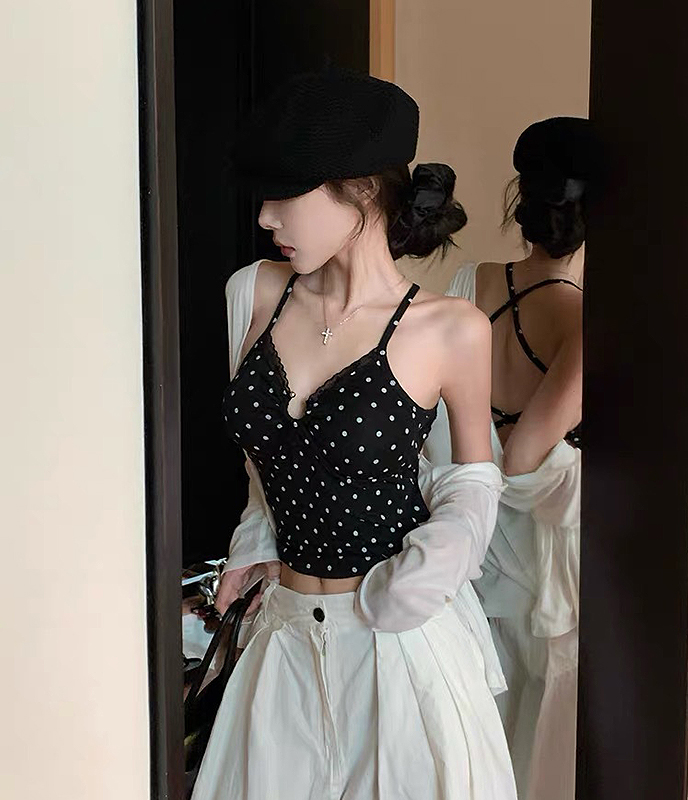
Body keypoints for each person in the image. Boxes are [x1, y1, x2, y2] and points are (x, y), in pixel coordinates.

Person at [189, 67, 518, 800]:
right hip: (282, 637)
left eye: (286, 195)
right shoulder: (253, 292)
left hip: (398, 645)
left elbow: (472, 475)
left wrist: (431, 572)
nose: (266, 217)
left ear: (363, 190)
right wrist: (255, 542)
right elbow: (266, 462)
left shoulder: (449, 328)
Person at [423, 116, 597, 800]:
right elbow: (523, 459)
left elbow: (439, 421)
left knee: (475, 722)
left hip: (462, 541)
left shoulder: (471, 280)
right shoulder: (584, 321)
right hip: (536, 563)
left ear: (520, 199)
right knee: (535, 729)